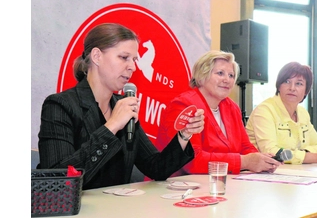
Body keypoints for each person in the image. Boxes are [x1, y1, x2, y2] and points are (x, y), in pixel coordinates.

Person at [37, 23, 205, 190]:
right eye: (124, 57)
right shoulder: (60, 106)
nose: (132, 66)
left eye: (134, 60)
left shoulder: (122, 105)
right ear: (96, 56)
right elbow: (58, 180)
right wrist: (111, 126)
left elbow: (157, 168)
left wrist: (184, 134)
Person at [155, 50, 282, 176]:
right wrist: (245, 162)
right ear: (201, 76)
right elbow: (192, 161)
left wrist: (261, 160)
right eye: (220, 73)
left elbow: (245, 147)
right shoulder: (184, 105)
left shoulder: (232, 107)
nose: (227, 80)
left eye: (231, 75)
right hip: (176, 186)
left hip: (220, 183)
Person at [246, 62, 317, 164]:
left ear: (306, 90)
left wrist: (303, 154)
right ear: (279, 86)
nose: (292, 88)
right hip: (261, 173)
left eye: (299, 83)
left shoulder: (303, 113)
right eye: (287, 82)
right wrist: (315, 157)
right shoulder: (264, 110)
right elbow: (271, 152)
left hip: (293, 170)